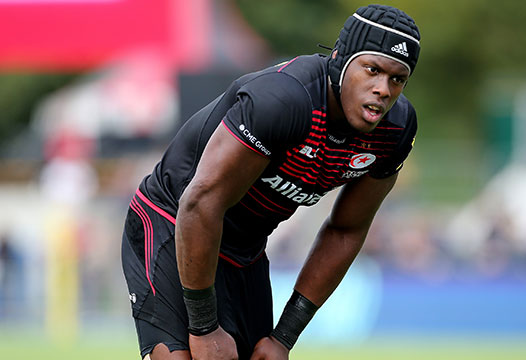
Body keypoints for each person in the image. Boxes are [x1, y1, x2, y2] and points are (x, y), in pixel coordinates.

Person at [121, 4, 420, 360]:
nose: (383, 89)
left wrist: (284, 336)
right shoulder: (284, 100)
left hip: (244, 248)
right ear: (340, 58)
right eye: (372, 70)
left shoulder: (395, 132)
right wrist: (203, 328)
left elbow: (346, 230)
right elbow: (200, 202)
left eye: (397, 78)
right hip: (172, 219)